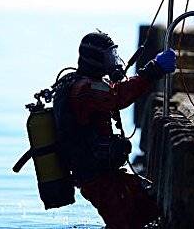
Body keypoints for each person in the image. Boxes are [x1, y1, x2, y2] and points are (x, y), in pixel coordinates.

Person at [54, 31, 175, 228]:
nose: (114, 62)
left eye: (114, 55)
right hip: (94, 175)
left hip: (106, 171)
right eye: (109, 57)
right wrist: (153, 70)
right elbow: (118, 96)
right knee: (123, 223)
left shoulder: (86, 83)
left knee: (145, 208)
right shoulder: (85, 88)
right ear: (95, 59)